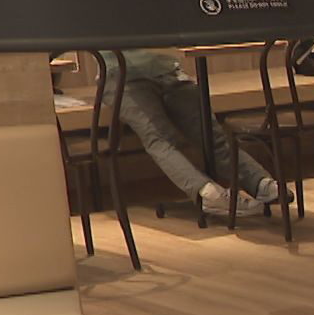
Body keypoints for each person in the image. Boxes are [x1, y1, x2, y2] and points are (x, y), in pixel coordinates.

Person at [105, 49, 283, 216]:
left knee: (209, 131)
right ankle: (207, 193)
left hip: (168, 72)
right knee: (159, 137)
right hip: (121, 76)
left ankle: (259, 182)